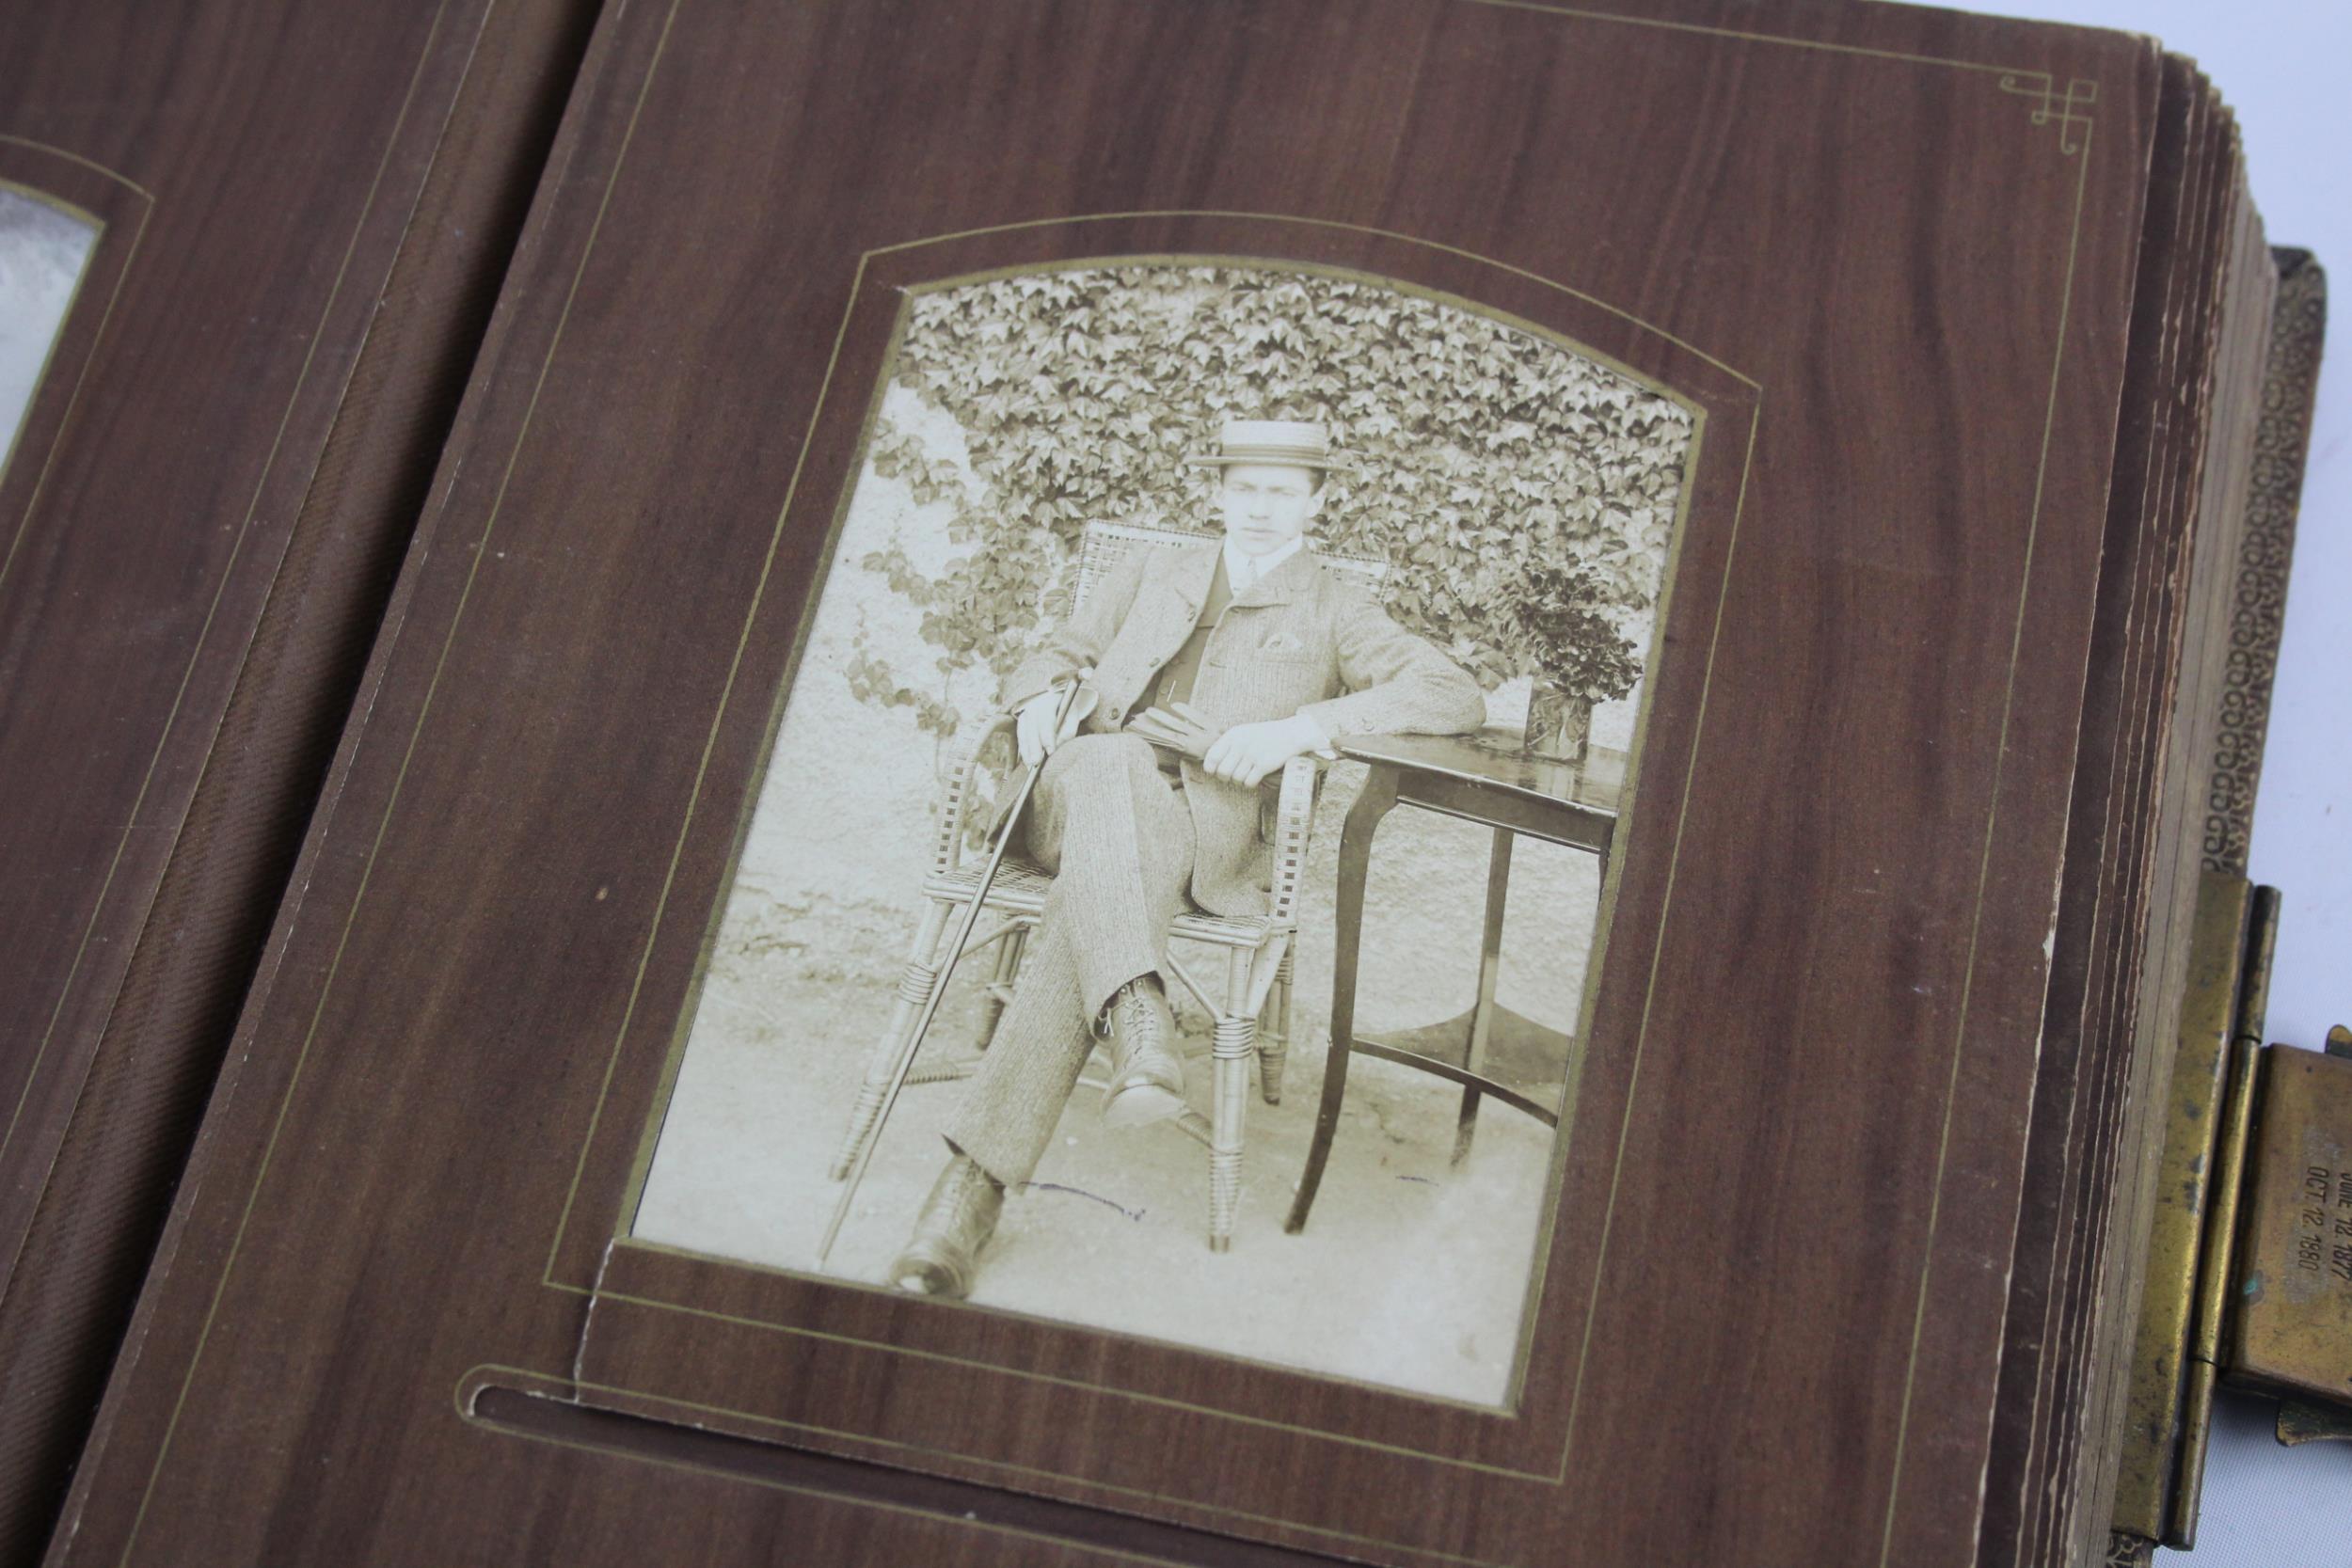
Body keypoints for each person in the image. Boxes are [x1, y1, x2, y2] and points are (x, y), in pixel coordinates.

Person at [888, 419, 1488, 1297]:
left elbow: (1452, 690)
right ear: (1218, 492)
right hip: (1068, 799)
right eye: (1244, 487)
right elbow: (1056, 652)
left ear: (1318, 502)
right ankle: (1134, 1003)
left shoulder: (1333, 606)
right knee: (1109, 756)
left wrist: (1301, 727)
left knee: (1093, 891)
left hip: (1196, 835)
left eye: (1281, 492)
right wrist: (1041, 699)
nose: (1258, 508)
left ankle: (970, 1190)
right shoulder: (1153, 571)